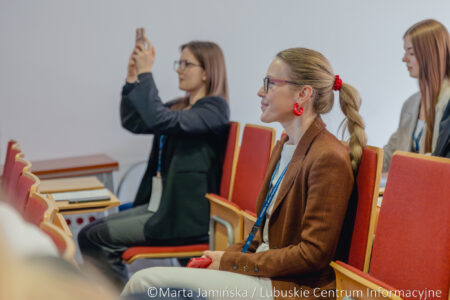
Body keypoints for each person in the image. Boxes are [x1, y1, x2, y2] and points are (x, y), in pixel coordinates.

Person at [122, 47, 366, 300]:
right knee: (149, 284)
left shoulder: (327, 156)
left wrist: (231, 262)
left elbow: (312, 255)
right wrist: (225, 257)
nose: (260, 91)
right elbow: (260, 233)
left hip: (288, 286)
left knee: (145, 282)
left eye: (270, 83)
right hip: (263, 272)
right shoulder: (285, 145)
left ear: (303, 94)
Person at [78, 33, 230, 288]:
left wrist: (147, 73)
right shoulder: (181, 107)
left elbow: (159, 119)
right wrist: (133, 78)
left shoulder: (214, 109)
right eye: (178, 64)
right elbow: (135, 122)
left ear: (207, 72)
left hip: (183, 216)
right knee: (91, 232)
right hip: (160, 206)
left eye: (186, 64)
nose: (179, 70)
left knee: (93, 237)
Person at [383, 19, 450, 172]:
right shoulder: (410, 104)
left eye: (411, 52)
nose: (404, 58)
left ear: (431, 55)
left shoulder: (448, 103)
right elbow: (391, 153)